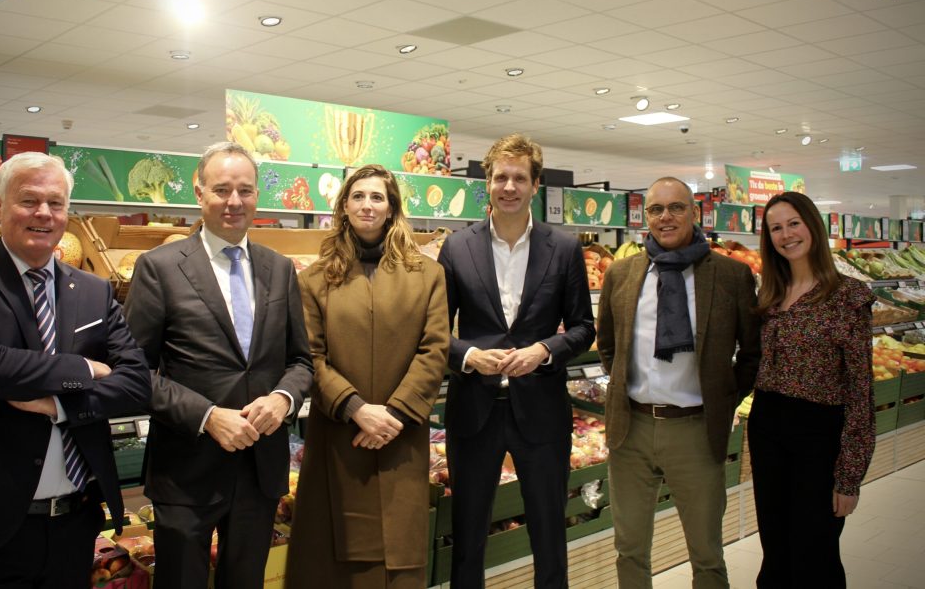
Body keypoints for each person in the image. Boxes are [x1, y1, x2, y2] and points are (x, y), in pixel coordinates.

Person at [0, 152, 151, 588]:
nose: (44, 213)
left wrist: (59, 406)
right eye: (29, 200)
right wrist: (84, 368)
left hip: (73, 524)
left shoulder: (93, 290)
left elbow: (136, 384)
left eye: (56, 203)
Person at [124, 142, 313, 589]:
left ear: (257, 196)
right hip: (186, 469)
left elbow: (302, 361)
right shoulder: (159, 268)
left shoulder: (279, 269)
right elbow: (132, 371)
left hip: (260, 467)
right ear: (199, 193)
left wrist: (283, 399)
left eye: (245, 190)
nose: (234, 201)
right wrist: (207, 416)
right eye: (222, 189)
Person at [437, 133, 594, 589]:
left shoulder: (563, 248)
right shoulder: (457, 247)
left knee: (549, 532)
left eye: (519, 178)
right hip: (474, 411)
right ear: (487, 182)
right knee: (469, 535)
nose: (509, 187)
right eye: (501, 177)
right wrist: (470, 355)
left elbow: (583, 327)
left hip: (542, 411)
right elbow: (434, 331)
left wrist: (544, 350)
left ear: (535, 185)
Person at [284, 164, 448, 589]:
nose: (367, 205)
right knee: (331, 560)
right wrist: (357, 409)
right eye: (358, 196)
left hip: (401, 436)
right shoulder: (314, 279)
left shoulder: (428, 275)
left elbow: (435, 349)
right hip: (339, 435)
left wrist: (393, 414)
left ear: (392, 208)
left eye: (377, 197)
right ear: (343, 206)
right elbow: (310, 356)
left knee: (399, 553)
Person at [597, 176, 760, 589]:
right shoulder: (621, 274)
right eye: (655, 209)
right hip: (631, 430)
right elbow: (609, 345)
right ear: (645, 217)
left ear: (694, 212)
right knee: (629, 549)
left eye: (676, 207)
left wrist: (725, 396)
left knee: (706, 553)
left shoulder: (730, 275)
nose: (665, 217)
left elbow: (752, 352)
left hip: (696, 430)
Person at [748, 191, 874, 588]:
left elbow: (860, 390)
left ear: (812, 226)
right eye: (776, 228)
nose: (786, 235)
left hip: (819, 434)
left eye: (793, 223)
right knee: (775, 550)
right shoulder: (768, 295)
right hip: (767, 427)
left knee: (814, 554)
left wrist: (849, 477)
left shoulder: (848, 296)